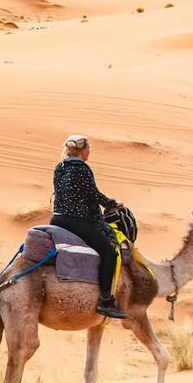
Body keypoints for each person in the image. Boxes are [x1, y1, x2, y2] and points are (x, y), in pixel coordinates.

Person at [51, 134, 128, 320]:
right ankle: (106, 301)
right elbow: (93, 195)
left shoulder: (60, 167)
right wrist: (112, 203)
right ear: (83, 151)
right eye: (88, 149)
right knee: (109, 252)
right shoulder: (82, 169)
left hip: (57, 219)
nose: (89, 153)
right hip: (75, 221)